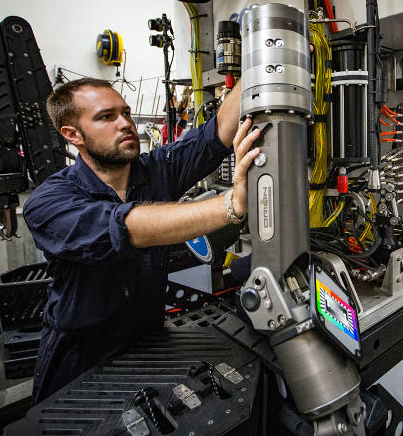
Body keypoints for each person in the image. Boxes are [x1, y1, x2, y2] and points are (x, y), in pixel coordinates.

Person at [23, 78, 261, 405]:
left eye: (126, 113)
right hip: (81, 360)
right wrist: (230, 205)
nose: (125, 124)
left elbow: (216, 133)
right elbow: (125, 227)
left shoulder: (152, 170)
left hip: (148, 345)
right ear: (72, 134)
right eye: (106, 117)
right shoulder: (48, 202)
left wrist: (258, 58)